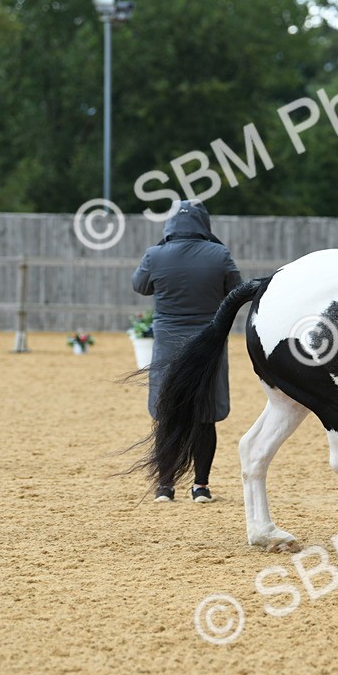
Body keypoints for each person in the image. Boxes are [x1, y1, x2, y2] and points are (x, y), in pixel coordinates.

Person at [133, 200, 241, 502]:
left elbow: (139, 286)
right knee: (205, 415)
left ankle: (165, 485)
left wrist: (160, 249)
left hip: (167, 342)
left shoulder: (155, 255)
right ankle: (201, 486)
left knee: (168, 412)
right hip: (208, 343)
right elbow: (237, 290)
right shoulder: (219, 254)